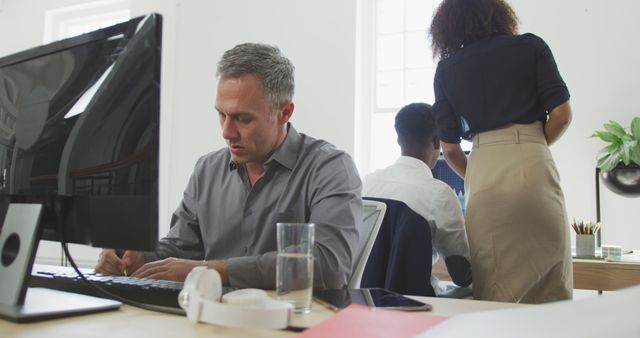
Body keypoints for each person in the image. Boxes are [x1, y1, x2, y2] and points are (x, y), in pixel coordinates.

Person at [95, 43, 362, 290]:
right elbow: (182, 248)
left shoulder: (330, 168)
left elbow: (329, 267)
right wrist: (136, 255)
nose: (227, 132)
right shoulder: (207, 169)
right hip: (210, 320)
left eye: (243, 119)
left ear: (285, 112)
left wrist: (208, 270)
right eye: (221, 115)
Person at [429, 0, 573, 303]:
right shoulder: (531, 47)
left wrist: (480, 173)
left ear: (448, 26)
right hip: (532, 161)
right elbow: (561, 114)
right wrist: (531, 145)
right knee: (550, 282)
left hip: (483, 170)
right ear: (498, 12)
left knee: (494, 285)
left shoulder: (447, 70)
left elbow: (450, 148)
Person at [362, 103, 472, 296]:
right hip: (415, 301)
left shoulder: (368, 182)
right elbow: (462, 275)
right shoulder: (439, 194)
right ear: (437, 141)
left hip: (365, 297)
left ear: (398, 139)